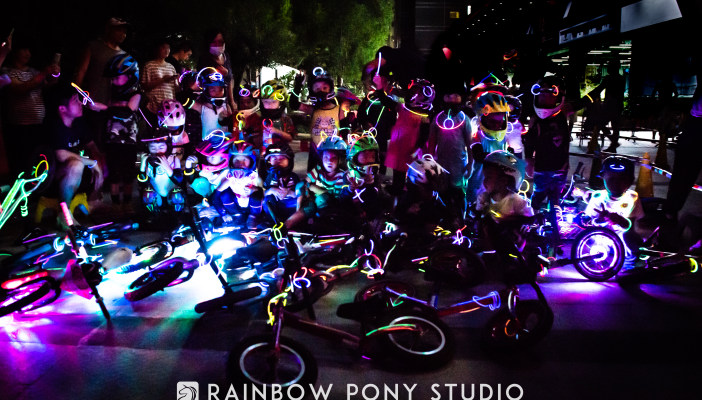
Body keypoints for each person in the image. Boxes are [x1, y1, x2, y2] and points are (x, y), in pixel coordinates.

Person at [0, 36, 60, 176]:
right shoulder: (7, 71)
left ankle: (32, 187)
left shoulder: (33, 71)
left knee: (35, 161)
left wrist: (55, 74)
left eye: (29, 50)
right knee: (20, 162)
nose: (28, 53)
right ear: (15, 52)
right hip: (19, 126)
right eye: (24, 50)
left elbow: (49, 84)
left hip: (37, 124)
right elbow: (21, 89)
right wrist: (43, 74)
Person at [48, 83, 105, 219]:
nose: (80, 103)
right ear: (62, 109)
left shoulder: (79, 123)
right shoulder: (55, 126)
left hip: (78, 176)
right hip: (53, 178)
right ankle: (64, 215)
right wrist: (92, 163)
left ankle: (93, 201)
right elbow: (61, 155)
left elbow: (91, 145)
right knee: (76, 165)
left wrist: (99, 161)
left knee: (98, 159)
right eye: (75, 101)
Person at [74, 17, 128, 147]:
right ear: (108, 30)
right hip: (91, 102)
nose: (123, 34)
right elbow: (82, 70)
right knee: (89, 140)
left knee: (106, 141)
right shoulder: (94, 47)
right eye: (119, 30)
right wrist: (76, 93)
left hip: (111, 106)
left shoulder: (124, 55)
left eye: (124, 31)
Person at [584, 156, 644, 269]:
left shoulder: (632, 198)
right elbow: (587, 222)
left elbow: (630, 227)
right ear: (603, 177)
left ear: (630, 181)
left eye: (622, 179)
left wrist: (620, 221)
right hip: (601, 235)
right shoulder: (598, 197)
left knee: (626, 236)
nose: (616, 183)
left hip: (620, 235)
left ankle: (629, 263)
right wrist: (599, 220)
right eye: (612, 179)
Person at [426, 83, 472, 219]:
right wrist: (430, 162)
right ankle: (444, 217)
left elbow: (470, 144)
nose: (452, 98)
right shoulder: (438, 118)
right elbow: (431, 141)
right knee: (442, 190)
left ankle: (460, 218)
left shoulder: (464, 119)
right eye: (448, 96)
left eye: (456, 96)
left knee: (458, 191)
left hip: (459, 163)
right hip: (441, 163)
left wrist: (471, 163)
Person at [524, 76, 570, 211]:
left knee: (555, 198)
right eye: (541, 94)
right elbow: (530, 142)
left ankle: (555, 220)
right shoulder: (535, 119)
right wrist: (528, 160)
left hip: (561, 167)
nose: (544, 97)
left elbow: (583, 102)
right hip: (541, 166)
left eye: (549, 94)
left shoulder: (563, 113)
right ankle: (532, 217)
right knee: (538, 196)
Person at [103, 53, 141, 210]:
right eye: (112, 78)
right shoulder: (112, 94)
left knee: (128, 173)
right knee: (114, 173)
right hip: (112, 140)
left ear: (130, 76)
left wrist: (104, 108)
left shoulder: (136, 94)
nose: (114, 81)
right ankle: (115, 205)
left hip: (129, 142)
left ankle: (127, 203)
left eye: (117, 77)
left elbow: (128, 111)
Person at [384, 79, 436, 194]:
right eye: (413, 92)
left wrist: (417, 148)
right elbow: (388, 103)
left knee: (408, 169)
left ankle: (407, 190)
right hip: (398, 144)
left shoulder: (424, 117)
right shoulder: (403, 108)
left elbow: (424, 134)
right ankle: (397, 188)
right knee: (397, 167)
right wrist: (380, 91)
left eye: (416, 93)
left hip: (410, 147)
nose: (413, 95)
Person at [285, 134, 347, 229]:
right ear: (321, 158)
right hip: (311, 201)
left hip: (327, 207)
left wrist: (313, 188)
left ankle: (319, 222)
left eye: (333, 158)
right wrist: (305, 194)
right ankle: (286, 225)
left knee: (322, 199)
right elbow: (305, 183)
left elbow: (334, 198)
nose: (329, 161)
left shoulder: (340, 176)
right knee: (300, 186)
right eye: (326, 158)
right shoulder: (318, 170)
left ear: (340, 160)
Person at [290, 67, 341, 171]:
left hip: (333, 153)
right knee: (313, 177)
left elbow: (345, 130)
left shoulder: (339, 110)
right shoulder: (311, 109)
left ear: (330, 89)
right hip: (315, 151)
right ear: (312, 91)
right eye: (317, 89)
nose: (321, 91)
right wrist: (298, 86)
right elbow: (293, 104)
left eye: (324, 88)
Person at [466, 88, 511, 204]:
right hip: (478, 186)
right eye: (492, 121)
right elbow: (479, 155)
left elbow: (509, 157)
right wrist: (501, 158)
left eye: (500, 120)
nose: (497, 125)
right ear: (482, 118)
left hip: (496, 186)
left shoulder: (503, 138)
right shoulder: (477, 136)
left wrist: (514, 161)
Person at [210, 140, 263, 228]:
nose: (240, 164)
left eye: (244, 160)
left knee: (256, 196)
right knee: (225, 195)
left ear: (252, 161)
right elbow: (216, 196)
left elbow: (263, 195)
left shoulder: (255, 177)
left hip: (252, 206)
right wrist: (223, 213)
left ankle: (253, 217)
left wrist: (255, 189)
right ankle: (235, 217)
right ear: (231, 162)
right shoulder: (230, 178)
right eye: (236, 160)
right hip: (235, 205)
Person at [137, 129, 185, 215]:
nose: (157, 151)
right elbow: (142, 182)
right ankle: (152, 215)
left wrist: (167, 167)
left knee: (177, 196)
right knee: (148, 195)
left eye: (161, 147)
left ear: (167, 146)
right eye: (153, 148)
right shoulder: (147, 161)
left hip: (171, 191)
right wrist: (142, 166)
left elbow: (179, 179)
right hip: (155, 193)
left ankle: (177, 215)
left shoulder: (174, 159)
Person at [586, 60, 625, 153]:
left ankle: (610, 142)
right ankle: (613, 144)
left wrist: (589, 96)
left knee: (599, 124)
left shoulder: (609, 78)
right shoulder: (622, 79)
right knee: (615, 127)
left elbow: (599, 88)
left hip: (609, 106)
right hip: (618, 106)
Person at [197, 29, 237, 113]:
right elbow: (209, 82)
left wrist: (231, 101)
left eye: (220, 42)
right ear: (208, 43)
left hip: (224, 102)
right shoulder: (204, 59)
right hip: (209, 104)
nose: (217, 45)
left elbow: (230, 79)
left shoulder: (226, 56)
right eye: (214, 42)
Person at [140, 39, 178, 125]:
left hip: (169, 107)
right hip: (153, 106)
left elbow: (175, 88)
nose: (166, 50)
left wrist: (180, 80)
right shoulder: (149, 65)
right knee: (154, 129)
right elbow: (144, 86)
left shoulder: (171, 67)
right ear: (157, 49)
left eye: (168, 48)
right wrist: (163, 80)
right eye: (163, 48)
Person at [261, 142, 300, 223]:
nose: (278, 161)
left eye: (282, 158)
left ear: (289, 161)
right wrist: (271, 190)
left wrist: (289, 192)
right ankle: (273, 222)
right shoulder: (269, 177)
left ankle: (292, 222)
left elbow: (300, 195)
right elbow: (263, 193)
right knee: (267, 200)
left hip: (290, 206)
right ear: (269, 161)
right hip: (275, 206)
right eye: (274, 158)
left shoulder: (294, 177)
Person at [191, 66, 234, 139]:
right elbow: (183, 99)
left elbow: (231, 125)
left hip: (224, 143)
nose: (217, 93)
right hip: (207, 144)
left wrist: (223, 119)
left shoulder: (226, 106)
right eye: (213, 90)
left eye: (220, 90)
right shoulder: (202, 107)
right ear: (206, 91)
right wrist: (193, 88)